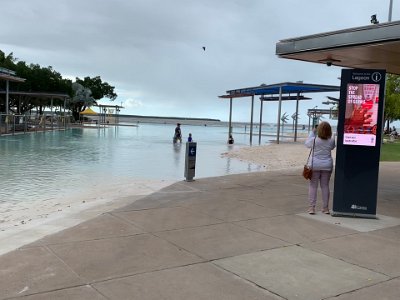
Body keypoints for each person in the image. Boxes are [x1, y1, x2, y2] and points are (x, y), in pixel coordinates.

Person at [305, 121, 336, 215]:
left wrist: (313, 131)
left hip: (315, 165)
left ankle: (311, 208)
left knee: (313, 186)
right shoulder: (331, 140)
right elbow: (332, 147)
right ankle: (325, 208)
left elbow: (306, 144)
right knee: (325, 186)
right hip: (327, 165)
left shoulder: (314, 140)